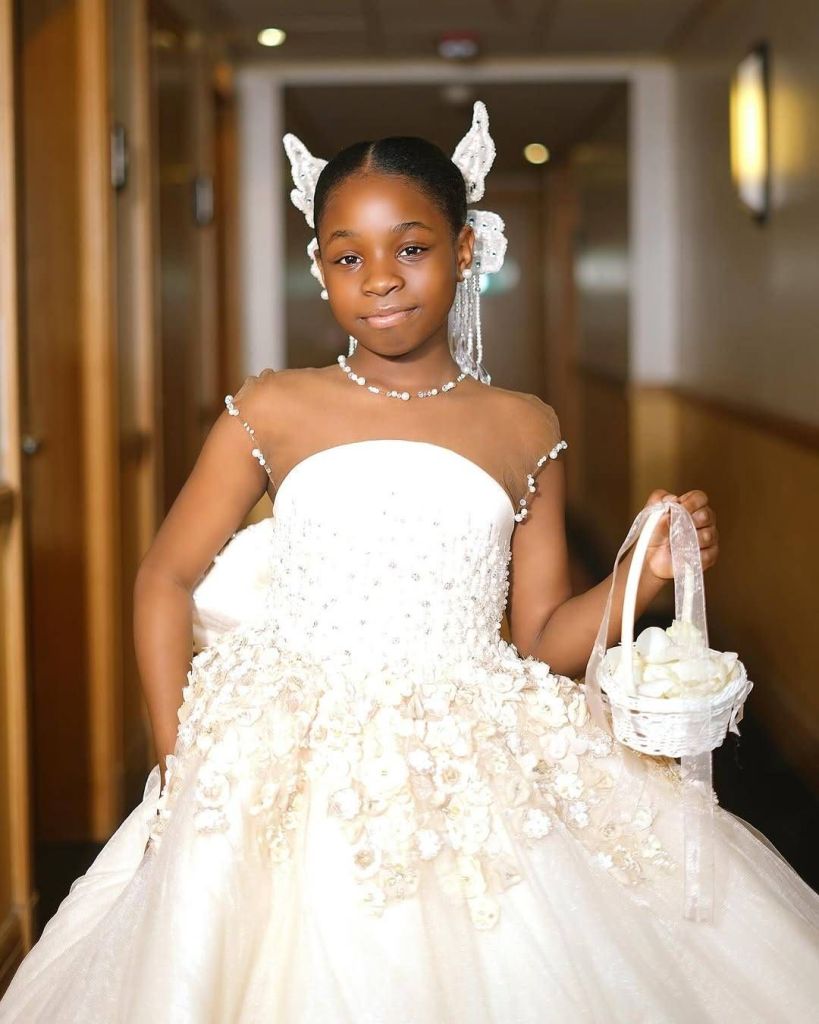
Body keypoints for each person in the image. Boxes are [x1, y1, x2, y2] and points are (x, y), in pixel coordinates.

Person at [1, 102, 818, 1024]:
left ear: (465, 251)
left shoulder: (524, 427)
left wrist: (645, 572)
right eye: (347, 256)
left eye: (412, 248)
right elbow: (164, 578)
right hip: (280, 752)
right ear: (319, 268)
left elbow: (542, 639)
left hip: (470, 749)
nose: (380, 278)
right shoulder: (271, 409)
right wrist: (175, 760)